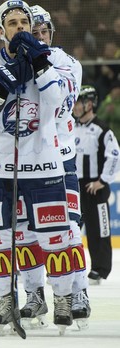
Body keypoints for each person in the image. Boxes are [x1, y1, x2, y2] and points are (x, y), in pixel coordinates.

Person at [0, 0, 77, 336]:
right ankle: (7, 300)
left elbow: (59, 106)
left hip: (43, 164)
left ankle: (63, 298)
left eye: (24, 22)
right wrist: (4, 84)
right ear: (1, 31)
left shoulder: (55, 60)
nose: (20, 28)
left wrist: (39, 66)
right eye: (12, 23)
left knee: (55, 238)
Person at [74, 85, 120, 287]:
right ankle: (69, 268)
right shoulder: (71, 127)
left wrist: (102, 181)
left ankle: (99, 269)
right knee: (71, 230)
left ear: (90, 104)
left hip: (95, 188)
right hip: (75, 187)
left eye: (78, 103)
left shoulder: (102, 129)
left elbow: (115, 156)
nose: (74, 107)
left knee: (98, 230)